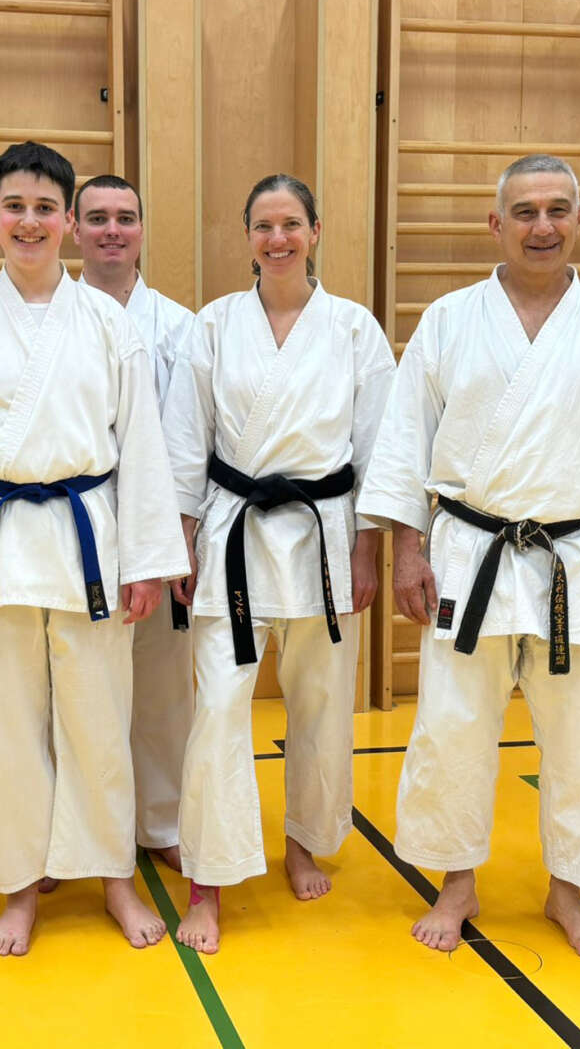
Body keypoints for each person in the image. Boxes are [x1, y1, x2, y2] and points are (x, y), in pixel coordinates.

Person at [356, 153, 580, 961]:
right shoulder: (447, 319)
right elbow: (406, 440)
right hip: (468, 552)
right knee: (451, 725)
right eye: (524, 211)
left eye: (557, 209)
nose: (541, 225)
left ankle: (569, 890)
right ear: (496, 224)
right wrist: (405, 549)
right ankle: (456, 882)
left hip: (576, 559)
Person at [0, 142, 188, 956]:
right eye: (14, 206)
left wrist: (147, 560)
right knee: (6, 729)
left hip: (88, 540)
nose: (29, 222)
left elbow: (144, 446)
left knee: (101, 720)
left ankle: (115, 880)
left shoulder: (107, 321)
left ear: (66, 220)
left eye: (43, 208)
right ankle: (20, 889)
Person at [164, 174, 395, 954]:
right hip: (232, 533)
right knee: (220, 708)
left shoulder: (356, 330)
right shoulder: (213, 326)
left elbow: (379, 451)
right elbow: (184, 442)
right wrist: (183, 542)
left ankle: (302, 840)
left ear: (316, 230)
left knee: (322, 702)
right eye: (263, 225)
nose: (278, 238)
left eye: (291, 223)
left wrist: (366, 548)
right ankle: (209, 878)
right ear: (247, 237)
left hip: (325, 530)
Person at [72, 173, 198, 875]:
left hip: (154, 534)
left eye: (124, 217)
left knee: (162, 687)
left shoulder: (179, 327)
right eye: (97, 218)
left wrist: (182, 536)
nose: (112, 230)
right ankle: (81, 828)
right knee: (75, 690)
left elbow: (189, 442)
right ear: (74, 229)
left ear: (142, 229)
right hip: (73, 530)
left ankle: (163, 820)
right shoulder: (49, 318)